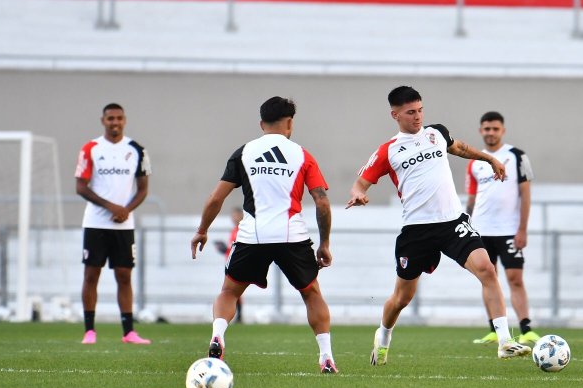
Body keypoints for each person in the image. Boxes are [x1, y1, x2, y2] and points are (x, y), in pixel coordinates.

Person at [346, 85, 532, 364]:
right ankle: (383, 335)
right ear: (395, 114)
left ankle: (505, 340)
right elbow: (360, 184)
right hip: (417, 230)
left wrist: (490, 158)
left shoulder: (436, 133)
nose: (418, 117)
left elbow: (461, 148)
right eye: (410, 112)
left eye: (420, 110)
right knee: (401, 298)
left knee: (487, 269)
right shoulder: (388, 151)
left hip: (452, 222)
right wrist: (359, 195)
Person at [191, 96, 338, 373]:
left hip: (252, 237)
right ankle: (326, 356)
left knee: (229, 291)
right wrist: (325, 243)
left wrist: (202, 230)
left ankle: (218, 335)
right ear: (290, 123)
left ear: (261, 123)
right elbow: (322, 202)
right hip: (292, 237)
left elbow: (215, 198)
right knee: (311, 294)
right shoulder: (302, 155)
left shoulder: (244, 152)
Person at [75, 102, 152, 345]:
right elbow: (80, 187)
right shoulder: (91, 149)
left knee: (124, 276)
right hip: (96, 223)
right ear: (103, 120)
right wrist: (111, 207)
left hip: (124, 225)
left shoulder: (138, 149)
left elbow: (143, 189)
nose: (115, 122)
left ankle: (128, 332)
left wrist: (125, 210)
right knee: (91, 275)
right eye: (110, 118)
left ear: (125, 120)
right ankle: (90, 330)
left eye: (119, 118)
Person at [465, 111, 539, 346]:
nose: (490, 133)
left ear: (502, 131)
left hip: (508, 230)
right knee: (488, 278)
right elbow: (471, 197)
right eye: (486, 129)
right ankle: (495, 330)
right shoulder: (475, 161)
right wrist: (466, 224)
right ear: (480, 131)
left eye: (495, 129)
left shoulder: (517, 156)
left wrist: (522, 229)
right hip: (481, 230)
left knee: (515, 278)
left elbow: (525, 195)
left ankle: (526, 328)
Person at [213, 207, 246, 323]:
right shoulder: (234, 230)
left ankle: (237, 316)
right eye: (232, 216)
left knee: (232, 291)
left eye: (236, 215)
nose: (233, 218)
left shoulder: (243, 229)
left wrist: (226, 250)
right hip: (230, 263)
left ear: (241, 215)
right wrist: (224, 250)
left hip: (238, 264)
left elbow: (238, 249)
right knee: (232, 292)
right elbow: (232, 249)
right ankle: (238, 316)